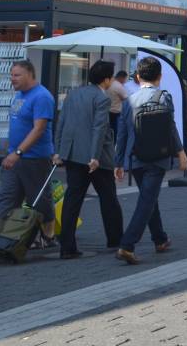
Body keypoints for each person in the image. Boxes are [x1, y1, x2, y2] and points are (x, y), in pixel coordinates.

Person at [114, 56, 187, 265]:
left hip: (135, 157)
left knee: (149, 197)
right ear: (160, 77)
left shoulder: (129, 101)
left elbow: (121, 134)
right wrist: (181, 152)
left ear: (137, 77)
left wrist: (118, 163)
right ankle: (127, 245)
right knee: (147, 200)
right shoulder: (164, 97)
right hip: (158, 157)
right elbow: (170, 127)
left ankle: (160, 239)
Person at [53, 60, 123, 259]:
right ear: (107, 79)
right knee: (108, 198)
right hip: (97, 158)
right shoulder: (102, 99)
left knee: (72, 199)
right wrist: (93, 156)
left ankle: (67, 246)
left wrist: (59, 150)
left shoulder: (73, 94)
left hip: (72, 154)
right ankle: (115, 238)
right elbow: (99, 129)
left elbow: (62, 122)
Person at [0, 59, 56, 244]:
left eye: (17, 75)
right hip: (14, 158)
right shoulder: (20, 94)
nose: (12, 79)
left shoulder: (42, 96)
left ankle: (48, 236)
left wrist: (18, 152)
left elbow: (39, 129)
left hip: (34, 159)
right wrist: (11, 152)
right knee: (5, 198)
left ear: (30, 74)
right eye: (11, 75)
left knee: (39, 201)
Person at [106, 70, 128, 139]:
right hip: (116, 113)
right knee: (115, 133)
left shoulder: (109, 83)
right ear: (122, 78)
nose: (125, 81)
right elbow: (126, 100)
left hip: (107, 111)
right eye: (125, 79)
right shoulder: (118, 86)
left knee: (108, 132)